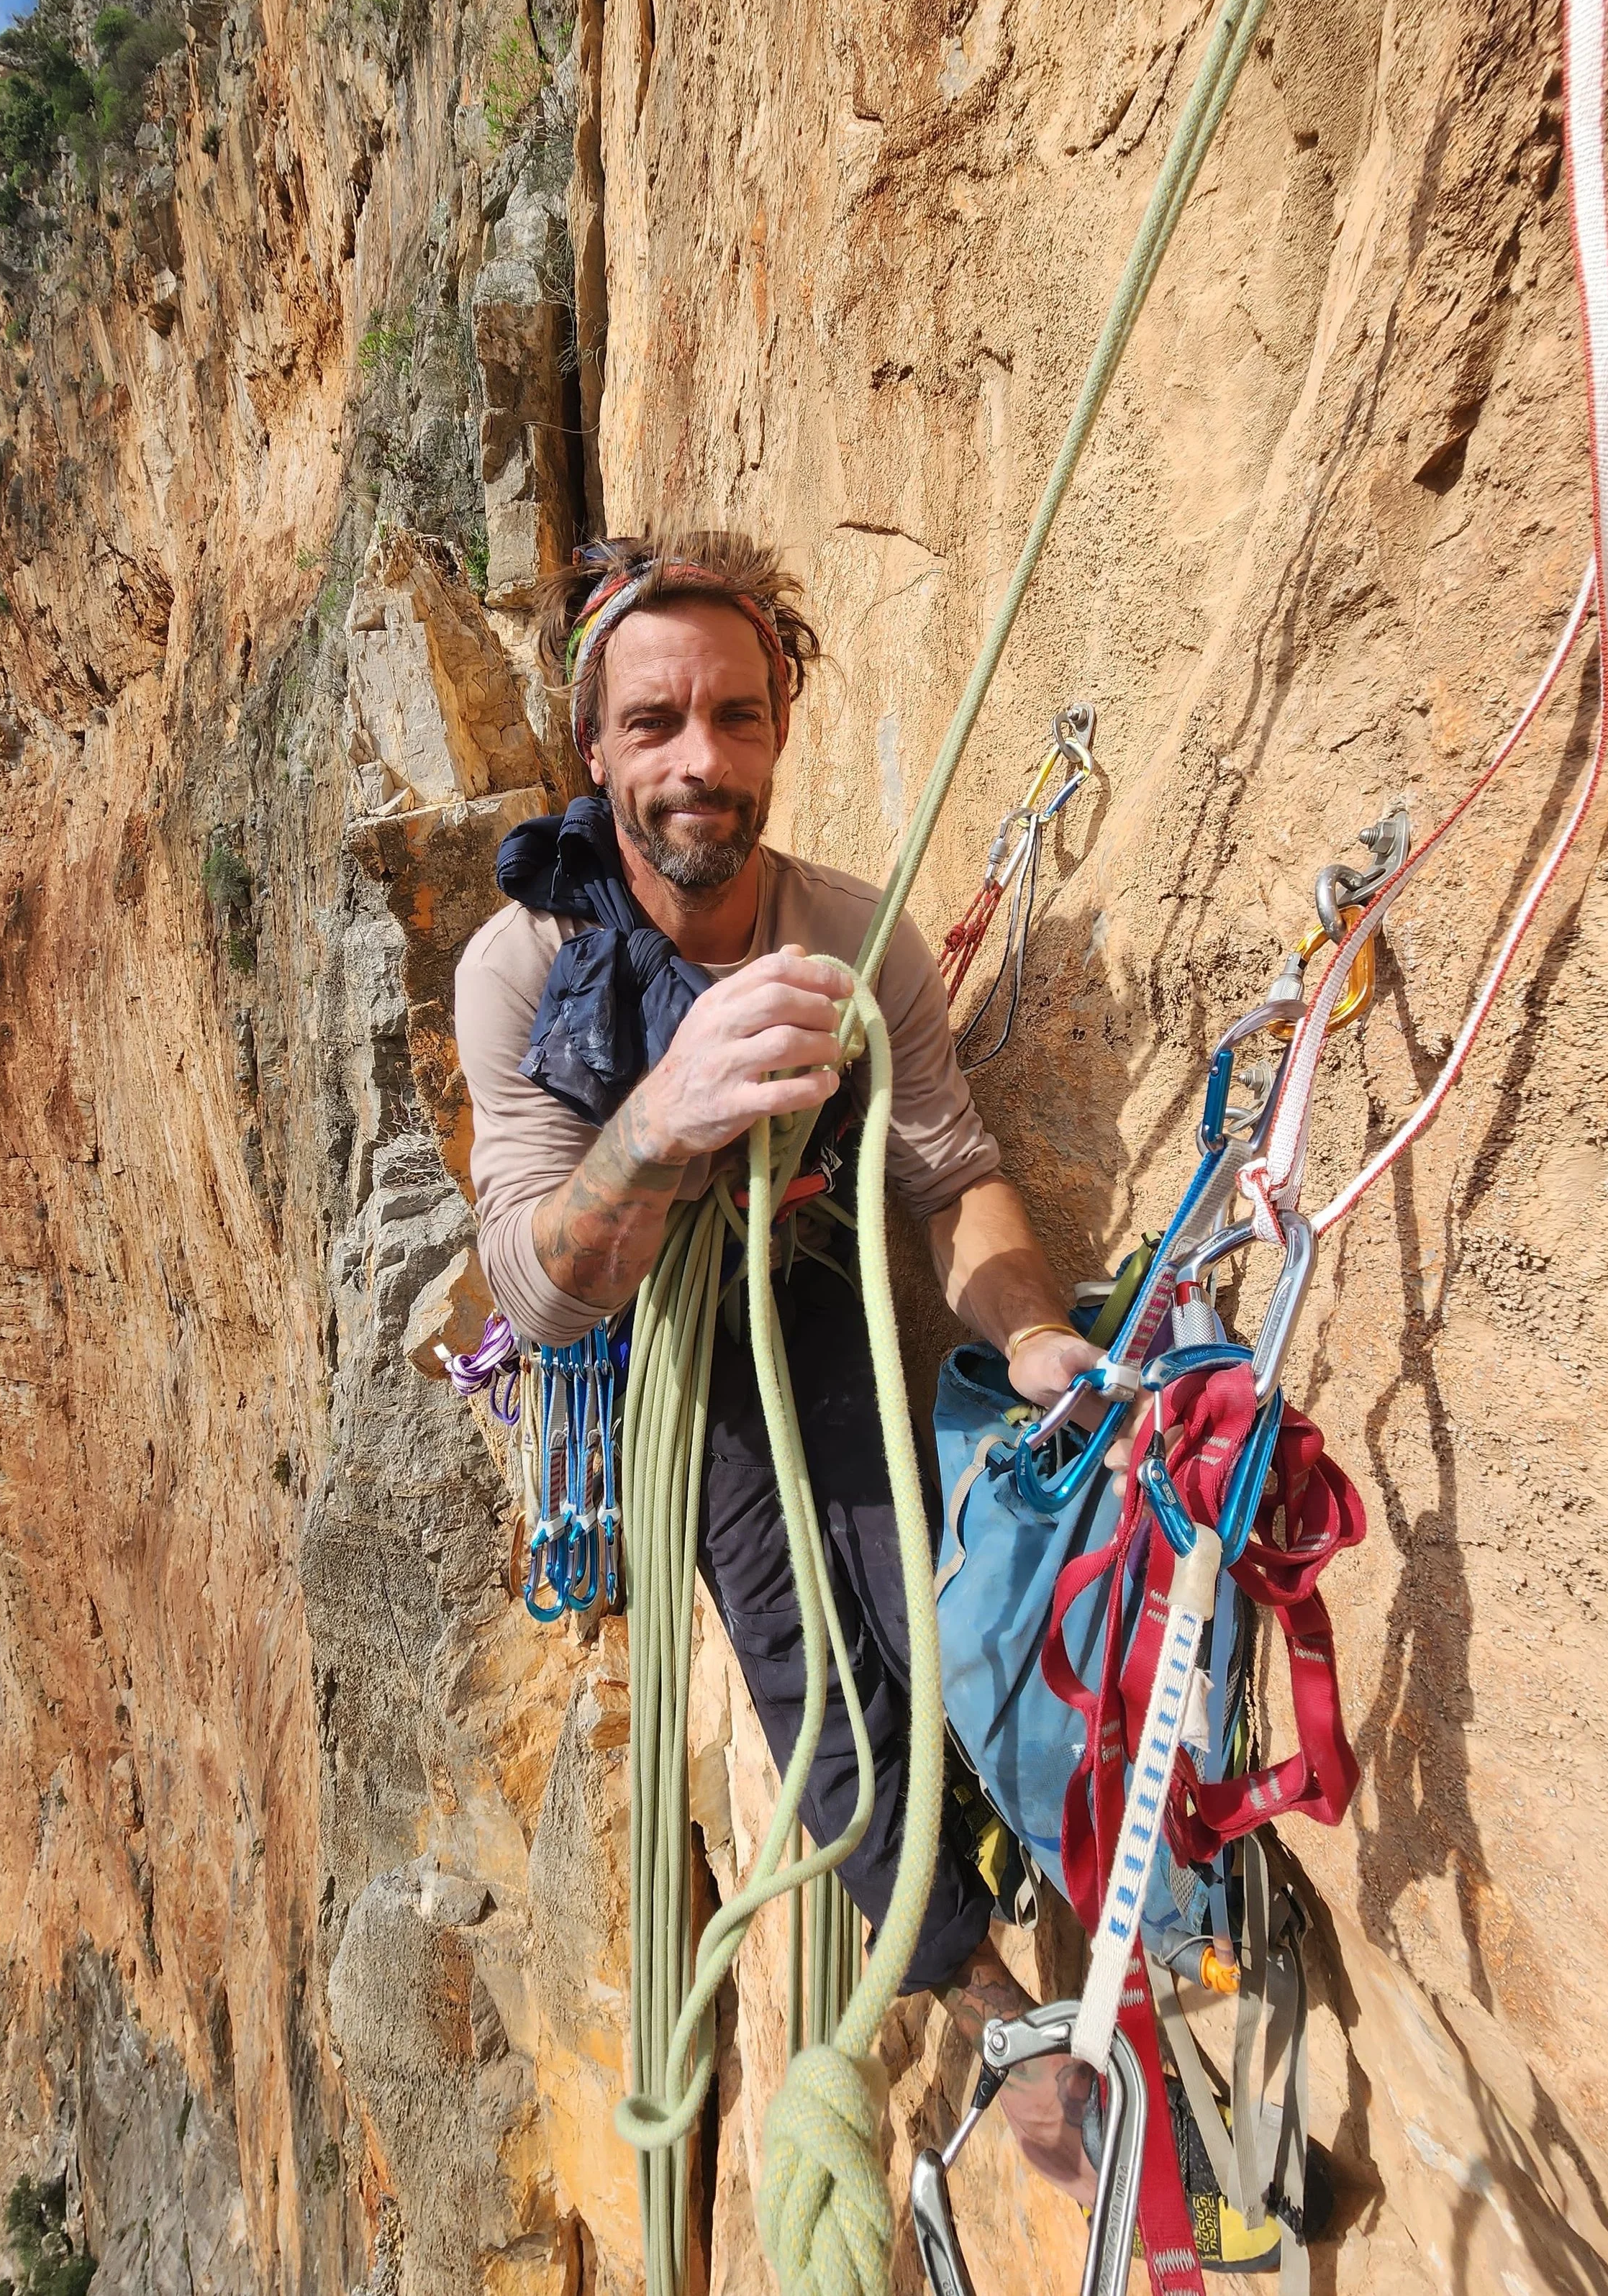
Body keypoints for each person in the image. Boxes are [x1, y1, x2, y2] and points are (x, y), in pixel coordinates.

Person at [453, 529, 1119, 2198]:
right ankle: (966, 1980)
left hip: (807, 1265)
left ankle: (1074, 1882)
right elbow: (538, 1286)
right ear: (595, 747)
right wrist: (658, 1124)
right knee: (782, 1619)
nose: (699, 760)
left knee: (925, 1577)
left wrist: (1032, 1332)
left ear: (779, 725)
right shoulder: (526, 968)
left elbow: (948, 1173)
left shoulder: (851, 934)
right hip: (654, 1344)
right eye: (656, 721)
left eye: (735, 716)